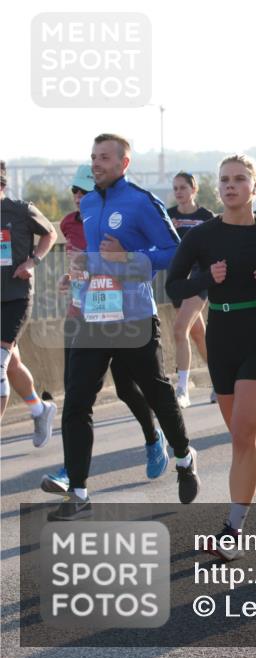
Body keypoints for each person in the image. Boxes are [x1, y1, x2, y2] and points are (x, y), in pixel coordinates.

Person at [167, 154, 256, 561]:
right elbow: (173, 284)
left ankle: (233, 531)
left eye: (239, 180)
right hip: (223, 336)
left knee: (244, 432)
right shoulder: (202, 237)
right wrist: (204, 280)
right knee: (240, 432)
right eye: (224, 180)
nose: (230, 186)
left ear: (254, 188)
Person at [52, 133, 200, 521]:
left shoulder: (140, 202)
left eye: (103, 157)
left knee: (155, 391)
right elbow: (98, 254)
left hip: (133, 317)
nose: (96, 163)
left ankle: (184, 457)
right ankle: (79, 494)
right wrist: (82, 269)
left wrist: (127, 256)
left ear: (123, 163)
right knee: (77, 401)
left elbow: (173, 251)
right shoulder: (89, 204)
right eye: (93, 157)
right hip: (93, 316)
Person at [41, 165, 169, 493]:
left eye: (85, 191)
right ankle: (71, 472)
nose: (79, 196)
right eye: (75, 190)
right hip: (81, 316)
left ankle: (154, 438)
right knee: (77, 398)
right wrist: (72, 278)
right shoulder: (71, 223)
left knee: (127, 388)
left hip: (122, 318)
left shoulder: (121, 218)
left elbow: (151, 255)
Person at [0, 160, 59, 445]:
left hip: (16, 297)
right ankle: (40, 409)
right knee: (12, 364)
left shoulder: (20, 210)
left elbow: (50, 233)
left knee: (0, 363)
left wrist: (32, 261)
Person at [167, 171, 214, 408]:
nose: (178, 192)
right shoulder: (169, 216)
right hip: (178, 280)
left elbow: (218, 245)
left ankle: (182, 388)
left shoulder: (206, 216)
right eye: (175, 188)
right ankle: (219, 380)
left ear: (193, 190)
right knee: (198, 334)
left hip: (199, 279)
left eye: (183, 188)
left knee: (179, 330)